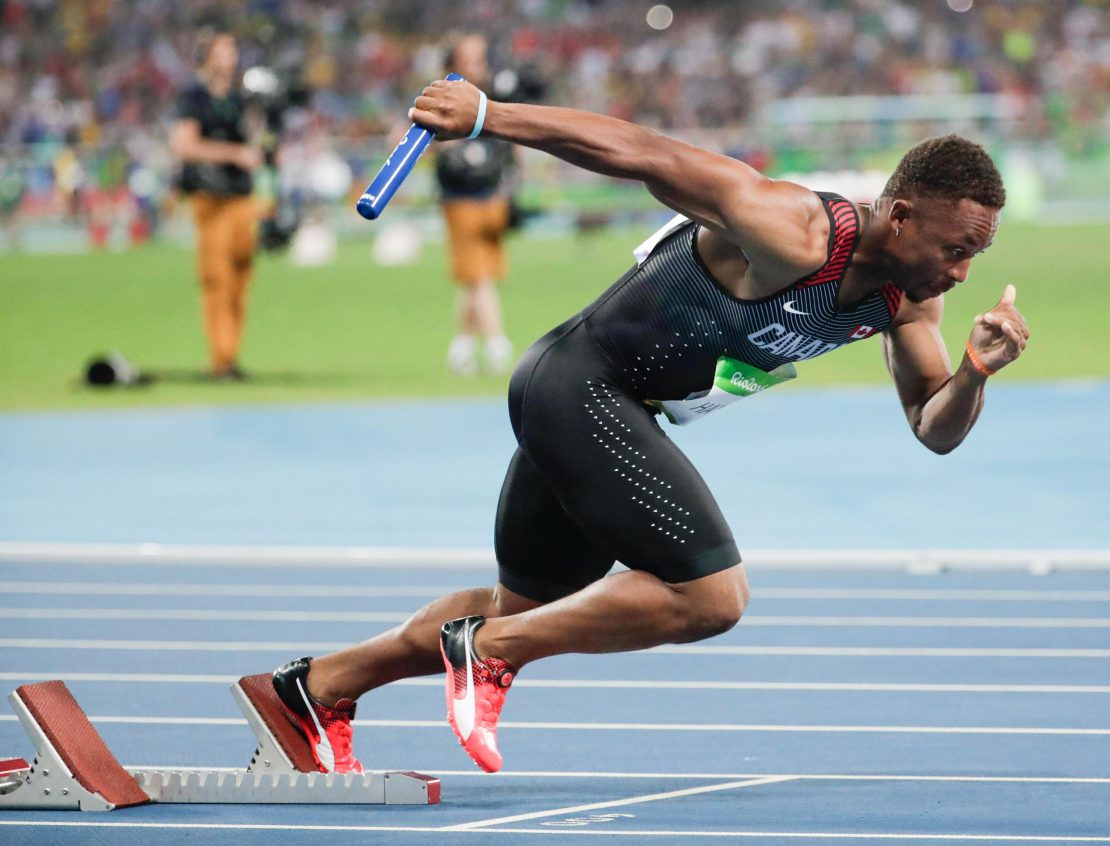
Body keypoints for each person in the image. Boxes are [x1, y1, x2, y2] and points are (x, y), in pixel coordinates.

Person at [270, 77, 1029, 775]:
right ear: (900, 216)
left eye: (976, 256)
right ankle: (489, 654)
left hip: (612, 412)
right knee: (710, 598)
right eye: (956, 248)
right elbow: (646, 154)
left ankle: (314, 688)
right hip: (578, 385)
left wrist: (975, 372)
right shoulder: (795, 230)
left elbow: (934, 425)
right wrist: (489, 117)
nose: (960, 273)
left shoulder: (908, 299)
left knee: (525, 609)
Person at [169, 32, 262, 381]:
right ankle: (220, 357)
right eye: (221, 50)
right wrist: (233, 154)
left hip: (241, 194)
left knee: (241, 274)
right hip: (210, 196)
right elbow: (183, 144)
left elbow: (256, 142)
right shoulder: (194, 96)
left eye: (232, 49)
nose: (229, 56)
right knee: (216, 277)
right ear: (204, 56)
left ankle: (232, 354)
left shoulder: (242, 98)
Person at [436, 34, 516, 376]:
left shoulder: (493, 95)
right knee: (479, 275)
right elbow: (421, 140)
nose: (477, 65)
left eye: (481, 58)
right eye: (470, 58)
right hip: (461, 196)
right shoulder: (441, 95)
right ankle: (497, 342)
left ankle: (463, 345)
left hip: (492, 194)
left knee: (480, 276)